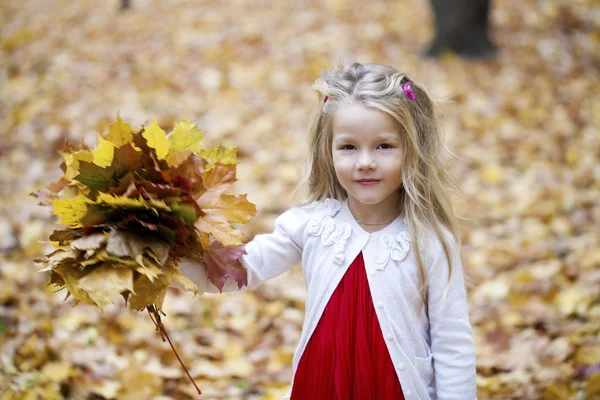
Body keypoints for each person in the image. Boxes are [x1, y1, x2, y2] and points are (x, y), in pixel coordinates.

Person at [181, 62, 477, 399]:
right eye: (349, 147)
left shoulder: (430, 241)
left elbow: (452, 343)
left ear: (412, 150)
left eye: (384, 146)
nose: (365, 161)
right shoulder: (313, 223)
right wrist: (162, 257)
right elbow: (238, 269)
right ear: (329, 152)